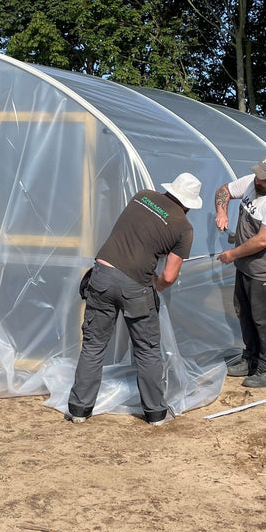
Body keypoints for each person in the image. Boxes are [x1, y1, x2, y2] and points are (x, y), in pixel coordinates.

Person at [67, 173, 202, 426]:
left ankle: (79, 410)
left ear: (170, 190)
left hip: (102, 274)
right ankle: (155, 414)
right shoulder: (184, 227)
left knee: (94, 346)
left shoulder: (142, 196)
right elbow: (169, 276)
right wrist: (156, 287)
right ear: (189, 203)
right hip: (136, 286)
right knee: (147, 350)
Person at [214, 154, 266, 388]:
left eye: (263, 179)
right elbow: (224, 190)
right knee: (244, 313)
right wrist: (222, 211)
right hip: (246, 266)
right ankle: (250, 357)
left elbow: (262, 241)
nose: (257, 181)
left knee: (265, 321)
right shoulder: (254, 183)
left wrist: (231, 254)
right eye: (257, 176)